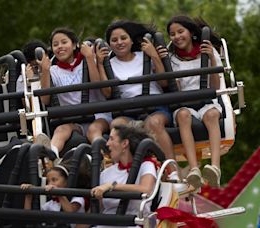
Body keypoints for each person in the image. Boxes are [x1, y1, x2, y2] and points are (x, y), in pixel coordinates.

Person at [97, 20, 177, 180]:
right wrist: (99, 64)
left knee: (153, 123)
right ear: (109, 45)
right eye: (114, 40)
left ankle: (172, 169)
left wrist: (153, 55)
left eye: (123, 38)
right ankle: (126, 172)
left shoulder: (144, 56)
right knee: (116, 125)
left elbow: (163, 82)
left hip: (153, 105)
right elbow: (106, 92)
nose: (119, 42)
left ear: (132, 40)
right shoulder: (109, 64)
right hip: (129, 109)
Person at [164, 15, 223, 188]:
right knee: (183, 116)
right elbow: (173, 89)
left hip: (206, 100)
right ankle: (194, 169)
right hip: (184, 103)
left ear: (190, 33)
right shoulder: (172, 59)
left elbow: (216, 85)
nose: (177, 37)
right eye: (172, 34)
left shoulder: (207, 53)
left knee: (212, 115)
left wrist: (212, 58)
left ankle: (215, 167)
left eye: (180, 31)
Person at [38, 27, 111, 157]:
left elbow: (97, 84)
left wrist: (89, 58)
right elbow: (45, 100)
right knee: (61, 130)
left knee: (94, 130)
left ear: (74, 44)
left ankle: (103, 156)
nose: (60, 47)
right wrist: (45, 71)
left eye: (64, 42)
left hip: (97, 115)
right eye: (55, 44)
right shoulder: (53, 70)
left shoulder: (88, 61)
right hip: (73, 119)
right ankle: (51, 156)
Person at [91, 124, 158, 228]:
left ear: (124, 143)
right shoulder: (106, 173)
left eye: (111, 139)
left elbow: (146, 190)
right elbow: (98, 208)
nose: (107, 144)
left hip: (134, 223)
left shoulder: (146, 165)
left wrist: (112, 186)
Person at [21, 157, 91, 228]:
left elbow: (70, 212)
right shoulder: (51, 203)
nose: (49, 184)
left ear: (67, 181)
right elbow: (29, 218)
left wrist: (59, 194)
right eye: (48, 181)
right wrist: (28, 196)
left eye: (54, 180)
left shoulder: (77, 198)